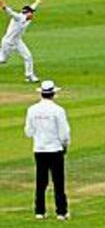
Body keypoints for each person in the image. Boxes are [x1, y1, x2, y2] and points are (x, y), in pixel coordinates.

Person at [25, 80, 71, 220]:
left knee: (41, 181)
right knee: (58, 181)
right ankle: (61, 212)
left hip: (39, 149)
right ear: (53, 94)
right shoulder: (58, 110)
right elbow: (64, 133)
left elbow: (28, 132)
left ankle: (39, 211)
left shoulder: (32, 110)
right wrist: (65, 145)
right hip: (55, 149)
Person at [0, 0, 41, 82]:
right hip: (8, 42)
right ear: (27, 13)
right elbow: (11, 13)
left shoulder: (28, 16)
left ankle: (29, 75)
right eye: (31, 13)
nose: (33, 15)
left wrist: (37, 2)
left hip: (18, 41)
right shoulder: (18, 17)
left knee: (28, 56)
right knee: (3, 60)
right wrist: (4, 6)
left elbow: (32, 7)